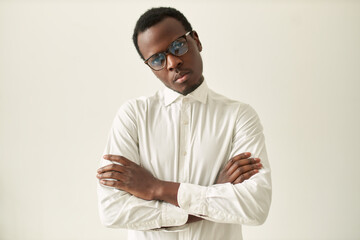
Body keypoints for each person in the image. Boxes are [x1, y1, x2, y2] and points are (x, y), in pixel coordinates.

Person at [96, 7, 271, 240]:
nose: (172, 62)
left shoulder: (239, 116)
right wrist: (214, 195)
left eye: (178, 46)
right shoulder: (133, 116)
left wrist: (155, 189)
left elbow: (254, 207)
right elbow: (112, 211)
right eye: (157, 59)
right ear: (150, 67)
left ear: (196, 40)